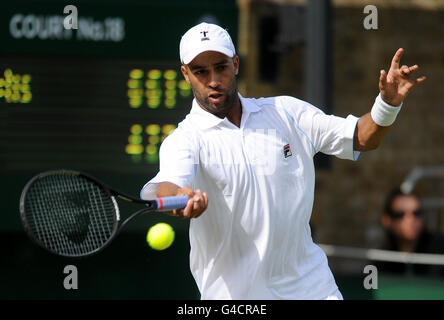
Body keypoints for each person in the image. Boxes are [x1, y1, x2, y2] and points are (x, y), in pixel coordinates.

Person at [140, 22, 426, 299]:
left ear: (236, 65)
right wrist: (180, 197)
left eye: (221, 68)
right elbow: (162, 187)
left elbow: (361, 138)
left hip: (311, 289)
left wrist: (387, 104)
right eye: (201, 71)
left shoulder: (286, 112)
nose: (213, 81)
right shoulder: (185, 139)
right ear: (185, 74)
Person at [378, 188, 444, 276]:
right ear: (387, 220)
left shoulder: (440, 247)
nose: (410, 220)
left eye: (416, 213)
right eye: (400, 214)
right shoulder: (381, 260)